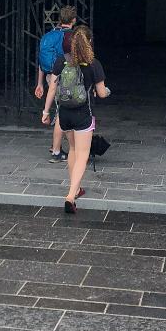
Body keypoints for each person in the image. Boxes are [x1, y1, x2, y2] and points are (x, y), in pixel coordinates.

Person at [41, 26, 110, 214]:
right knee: (83, 154)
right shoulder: (93, 63)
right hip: (83, 115)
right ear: (88, 43)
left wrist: (46, 112)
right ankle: (71, 196)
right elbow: (102, 93)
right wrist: (107, 90)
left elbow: (53, 89)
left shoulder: (61, 61)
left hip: (64, 114)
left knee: (72, 149)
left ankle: (76, 188)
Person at [34, 5, 77, 162]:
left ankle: (55, 146)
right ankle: (57, 151)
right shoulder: (70, 37)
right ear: (73, 20)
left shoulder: (48, 36)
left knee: (61, 111)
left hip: (49, 76)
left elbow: (41, 61)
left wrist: (40, 83)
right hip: (64, 79)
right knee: (62, 114)